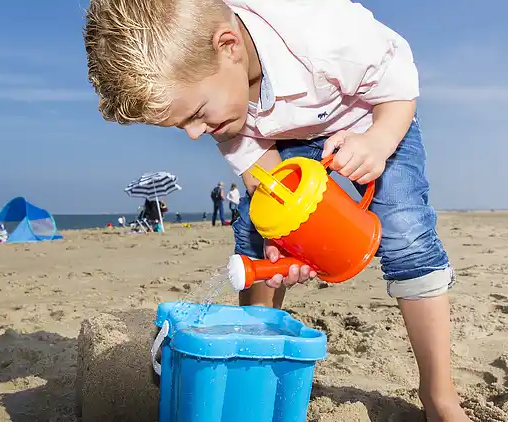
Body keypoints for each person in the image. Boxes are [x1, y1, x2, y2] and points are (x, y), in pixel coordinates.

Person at [83, 1, 469, 420]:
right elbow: (263, 178)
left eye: (195, 115)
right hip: (281, 140)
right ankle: (252, 359)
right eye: (182, 125)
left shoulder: (322, 34)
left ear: (228, 46)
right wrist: (286, 242)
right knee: (255, 233)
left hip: (369, 113)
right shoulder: (220, 96)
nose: (195, 134)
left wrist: (379, 140)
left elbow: (397, 81)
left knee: (405, 232)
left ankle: (439, 395)